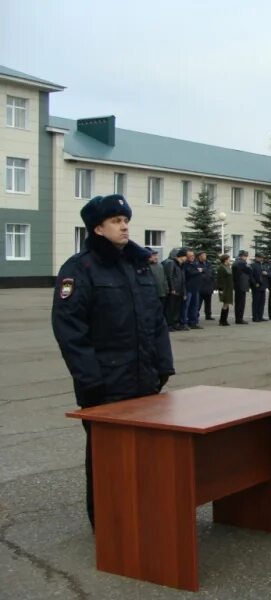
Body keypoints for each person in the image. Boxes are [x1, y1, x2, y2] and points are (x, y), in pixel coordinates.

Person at [51, 194, 174, 529]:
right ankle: (107, 526)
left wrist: (163, 366)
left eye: (125, 220)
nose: (124, 226)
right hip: (106, 384)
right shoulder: (80, 269)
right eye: (116, 221)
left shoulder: (137, 266)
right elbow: (70, 331)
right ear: (98, 228)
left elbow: (156, 321)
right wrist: (91, 381)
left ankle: (143, 518)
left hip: (144, 379)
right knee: (107, 461)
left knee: (146, 455)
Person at [163, 248, 187, 331]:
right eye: (185, 256)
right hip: (174, 290)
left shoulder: (181, 265)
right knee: (170, 308)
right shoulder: (171, 263)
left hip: (180, 290)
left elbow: (183, 279)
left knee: (177, 308)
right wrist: (172, 288)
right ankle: (169, 324)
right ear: (181, 256)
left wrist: (184, 292)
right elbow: (170, 276)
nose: (186, 258)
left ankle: (175, 323)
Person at [182, 249, 203, 329]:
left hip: (195, 288)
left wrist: (198, 271)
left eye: (193, 256)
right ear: (186, 257)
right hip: (188, 289)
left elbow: (202, 270)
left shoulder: (195, 264)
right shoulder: (185, 265)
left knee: (195, 306)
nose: (192, 257)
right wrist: (198, 271)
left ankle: (193, 322)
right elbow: (190, 272)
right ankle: (184, 323)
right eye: (190, 256)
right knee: (186, 307)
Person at [232, 250, 251, 324]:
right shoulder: (241, 263)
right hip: (241, 284)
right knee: (241, 303)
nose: (246, 257)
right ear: (242, 256)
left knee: (238, 303)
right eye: (245, 256)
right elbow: (249, 270)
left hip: (238, 285)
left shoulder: (235, 262)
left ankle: (238, 318)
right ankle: (239, 319)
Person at [146, 247, 168, 312]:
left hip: (162, 293)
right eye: (153, 256)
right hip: (152, 295)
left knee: (161, 311)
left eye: (156, 255)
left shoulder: (160, 266)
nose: (156, 257)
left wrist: (167, 288)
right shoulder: (145, 267)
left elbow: (164, 278)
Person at [197, 251, 215, 321]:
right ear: (200, 256)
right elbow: (199, 273)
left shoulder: (208, 263)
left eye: (205, 255)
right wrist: (206, 272)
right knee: (198, 303)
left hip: (208, 286)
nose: (205, 256)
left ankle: (208, 315)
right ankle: (196, 315)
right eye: (203, 255)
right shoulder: (197, 263)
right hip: (200, 287)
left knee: (208, 303)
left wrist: (203, 270)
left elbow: (211, 272)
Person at [216, 254, 233, 326]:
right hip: (224, 288)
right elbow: (220, 279)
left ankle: (224, 320)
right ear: (225, 260)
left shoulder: (228, 267)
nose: (230, 260)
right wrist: (221, 289)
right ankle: (222, 320)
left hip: (229, 288)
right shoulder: (221, 268)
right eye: (229, 259)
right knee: (225, 303)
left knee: (227, 303)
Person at [250, 253, 268, 322]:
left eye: (262, 257)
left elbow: (268, 273)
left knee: (262, 302)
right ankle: (255, 317)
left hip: (263, 286)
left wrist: (266, 273)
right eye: (260, 257)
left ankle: (260, 316)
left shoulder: (263, 265)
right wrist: (255, 283)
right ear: (256, 258)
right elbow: (251, 276)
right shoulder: (253, 265)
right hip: (256, 286)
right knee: (256, 302)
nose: (261, 259)